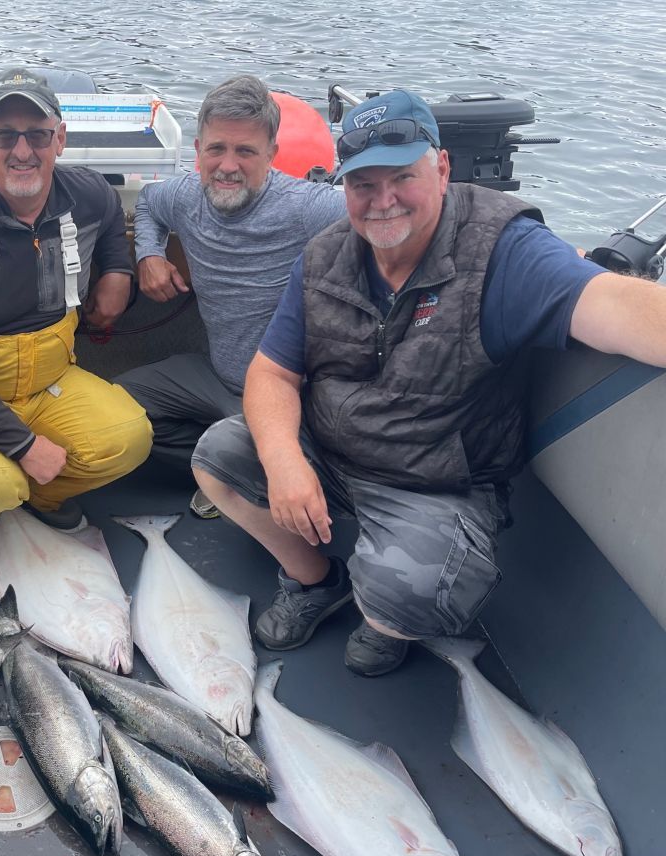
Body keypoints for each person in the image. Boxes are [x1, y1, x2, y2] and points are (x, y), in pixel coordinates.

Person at [192, 89, 666, 676]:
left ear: (441, 168)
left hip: (436, 483)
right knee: (218, 457)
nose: (383, 201)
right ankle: (315, 580)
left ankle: (385, 618)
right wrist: (285, 458)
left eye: (402, 177)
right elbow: (272, 372)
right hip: (332, 451)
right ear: (344, 187)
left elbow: (614, 303)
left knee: (408, 591)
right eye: (364, 184)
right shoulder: (324, 256)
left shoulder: (504, 251)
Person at [0, 68, 152, 558]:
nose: (22, 151)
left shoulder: (89, 193)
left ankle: (43, 493)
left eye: (37, 134)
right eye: (4, 135)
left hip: (49, 377)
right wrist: (23, 446)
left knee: (130, 438)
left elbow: (108, 223)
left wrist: (119, 270)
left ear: (59, 139)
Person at [116, 75, 345, 519]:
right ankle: (221, 466)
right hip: (217, 376)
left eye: (246, 151)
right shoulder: (185, 195)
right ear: (198, 149)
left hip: (287, 396)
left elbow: (382, 214)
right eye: (217, 149)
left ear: (272, 156)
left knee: (300, 465)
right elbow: (147, 203)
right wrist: (148, 255)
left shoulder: (307, 207)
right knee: (117, 407)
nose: (227, 165)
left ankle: (230, 466)